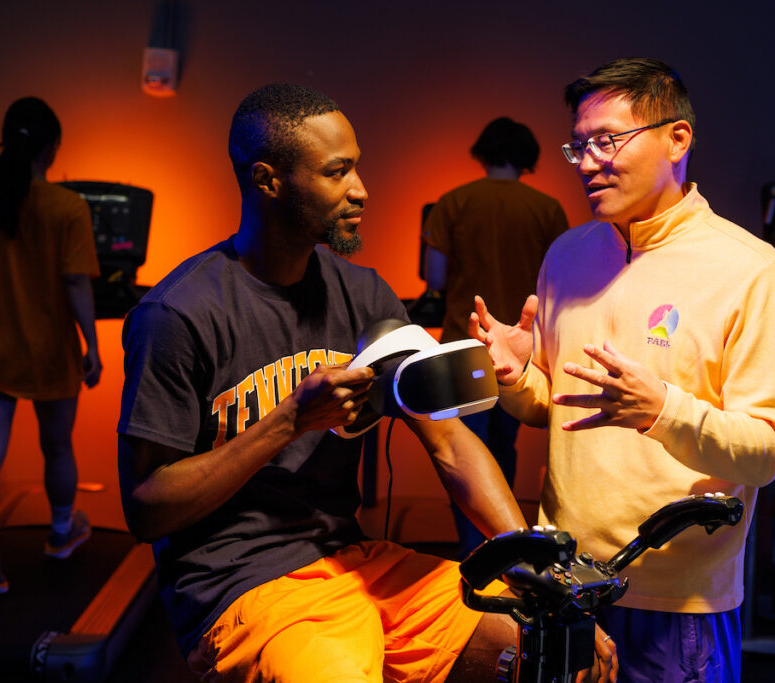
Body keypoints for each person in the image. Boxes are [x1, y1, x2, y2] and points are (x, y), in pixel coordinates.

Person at [118, 84, 619, 683]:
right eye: (337, 173)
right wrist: (288, 422)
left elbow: (449, 443)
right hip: (243, 583)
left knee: (565, 650)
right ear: (268, 181)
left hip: (354, 561)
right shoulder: (178, 314)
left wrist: (524, 556)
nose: (361, 189)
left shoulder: (365, 295)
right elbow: (146, 509)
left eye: (356, 167)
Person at [470, 58, 775, 682]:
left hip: (677, 600)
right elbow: (553, 405)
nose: (588, 162)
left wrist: (663, 411)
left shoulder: (753, 272)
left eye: (608, 141)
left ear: (677, 139)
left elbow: (770, 450)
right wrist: (515, 380)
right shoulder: (568, 254)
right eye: (579, 146)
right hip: (564, 583)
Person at [0, 96, 102, 595]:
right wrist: (93, 347)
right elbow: (77, 284)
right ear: (52, 148)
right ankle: (61, 534)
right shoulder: (68, 208)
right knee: (57, 445)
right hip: (50, 350)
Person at [422, 117, 569, 559]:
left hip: (462, 347)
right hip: (520, 355)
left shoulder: (453, 202)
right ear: (527, 157)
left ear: (483, 152)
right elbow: (560, 282)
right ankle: (505, 553)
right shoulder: (547, 209)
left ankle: (474, 555)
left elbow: (434, 277)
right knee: (504, 450)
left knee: (463, 452)